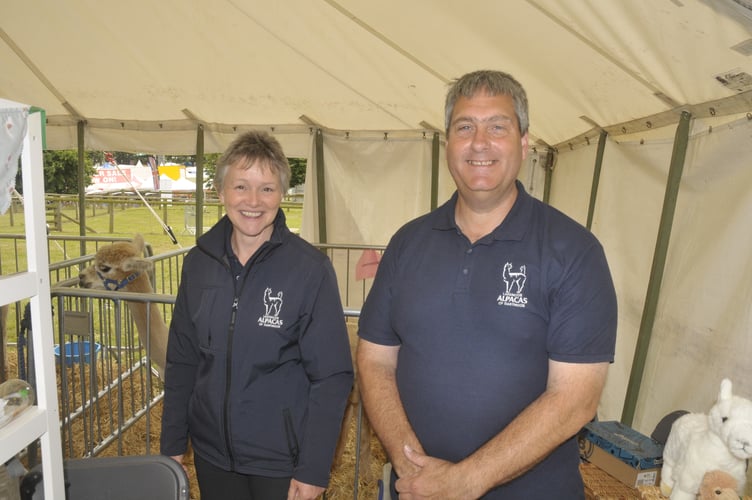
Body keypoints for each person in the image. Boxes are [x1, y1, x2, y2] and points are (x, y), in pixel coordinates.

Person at [356, 70, 618, 499]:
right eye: (465, 127)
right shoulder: (408, 243)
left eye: (497, 126)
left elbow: (574, 400)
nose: (480, 142)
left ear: (524, 142)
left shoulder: (573, 251)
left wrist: (463, 482)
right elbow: (375, 360)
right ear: (447, 144)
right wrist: (413, 468)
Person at [160, 130, 353, 500]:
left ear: (282, 195)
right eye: (241, 187)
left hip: (281, 462)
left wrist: (314, 468)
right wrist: (172, 442)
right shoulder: (199, 264)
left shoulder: (309, 269)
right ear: (221, 193)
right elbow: (183, 359)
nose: (253, 201)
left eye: (266, 188)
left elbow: (332, 375)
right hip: (213, 456)